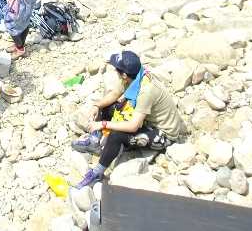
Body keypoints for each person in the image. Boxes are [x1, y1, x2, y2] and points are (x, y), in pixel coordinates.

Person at [73, 51, 185, 188]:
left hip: (163, 133)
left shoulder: (147, 90)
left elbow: (133, 126)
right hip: (146, 119)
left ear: (124, 75)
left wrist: (102, 124)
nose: (115, 71)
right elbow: (114, 94)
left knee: (116, 135)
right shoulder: (135, 75)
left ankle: (97, 173)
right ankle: (95, 142)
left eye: (116, 69)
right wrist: (97, 105)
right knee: (107, 106)